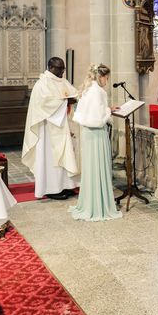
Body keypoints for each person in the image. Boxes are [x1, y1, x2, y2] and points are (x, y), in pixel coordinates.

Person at [22, 57, 79, 200]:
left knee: (65, 155)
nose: (62, 72)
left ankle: (66, 185)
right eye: (59, 69)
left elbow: (74, 93)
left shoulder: (63, 81)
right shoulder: (42, 84)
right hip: (47, 130)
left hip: (62, 126)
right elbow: (45, 103)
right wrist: (65, 101)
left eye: (63, 69)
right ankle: (51, 189)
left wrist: (77, 97)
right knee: (51, 159)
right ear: (50, 67)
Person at [70, 64, 122, 222]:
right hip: (97, 134)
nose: (107, 81)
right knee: (99, 167)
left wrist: (107, 109)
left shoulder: (88, 88)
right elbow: (98, 120)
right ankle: (99, 206)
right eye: (107, 77)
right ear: (101, 77)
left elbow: (90, 113)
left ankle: (90, 203)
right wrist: (108, 111)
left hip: (87, 134)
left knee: (91, 169)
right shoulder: (98, 91)